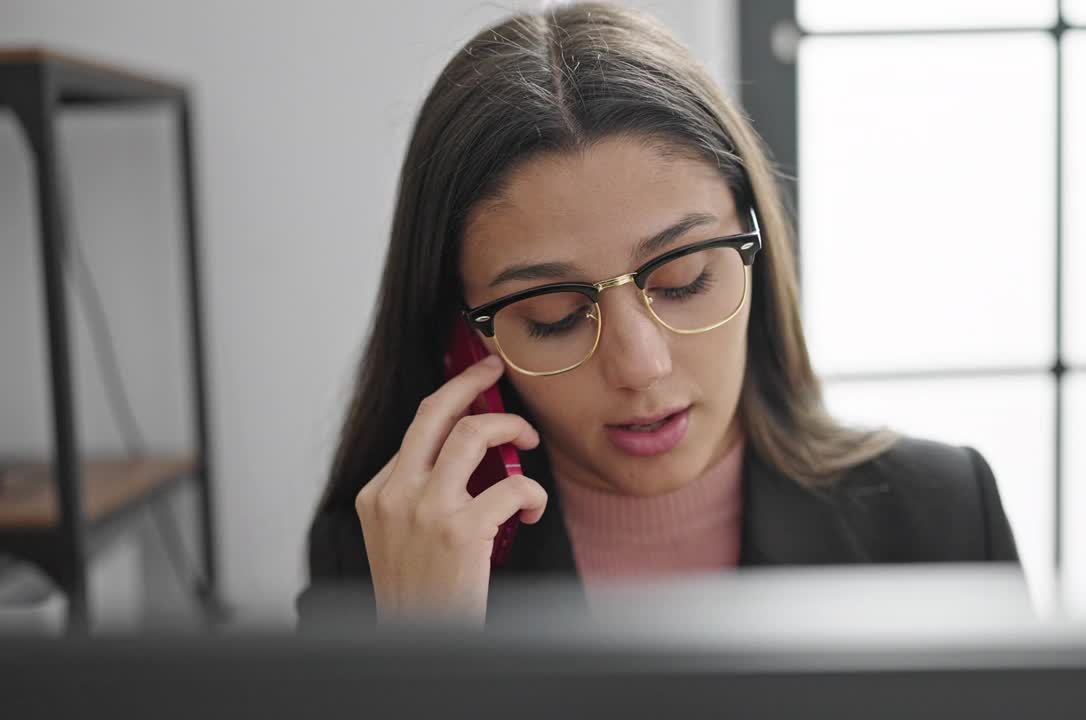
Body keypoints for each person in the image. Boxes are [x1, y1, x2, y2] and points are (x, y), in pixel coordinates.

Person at [297, 1, 1018, 629]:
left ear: (754, 253)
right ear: (462, 340)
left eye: (685, 280)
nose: (641, 365)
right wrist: (429, 659)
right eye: (553, 316)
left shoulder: (943, 515)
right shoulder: (381, 567)